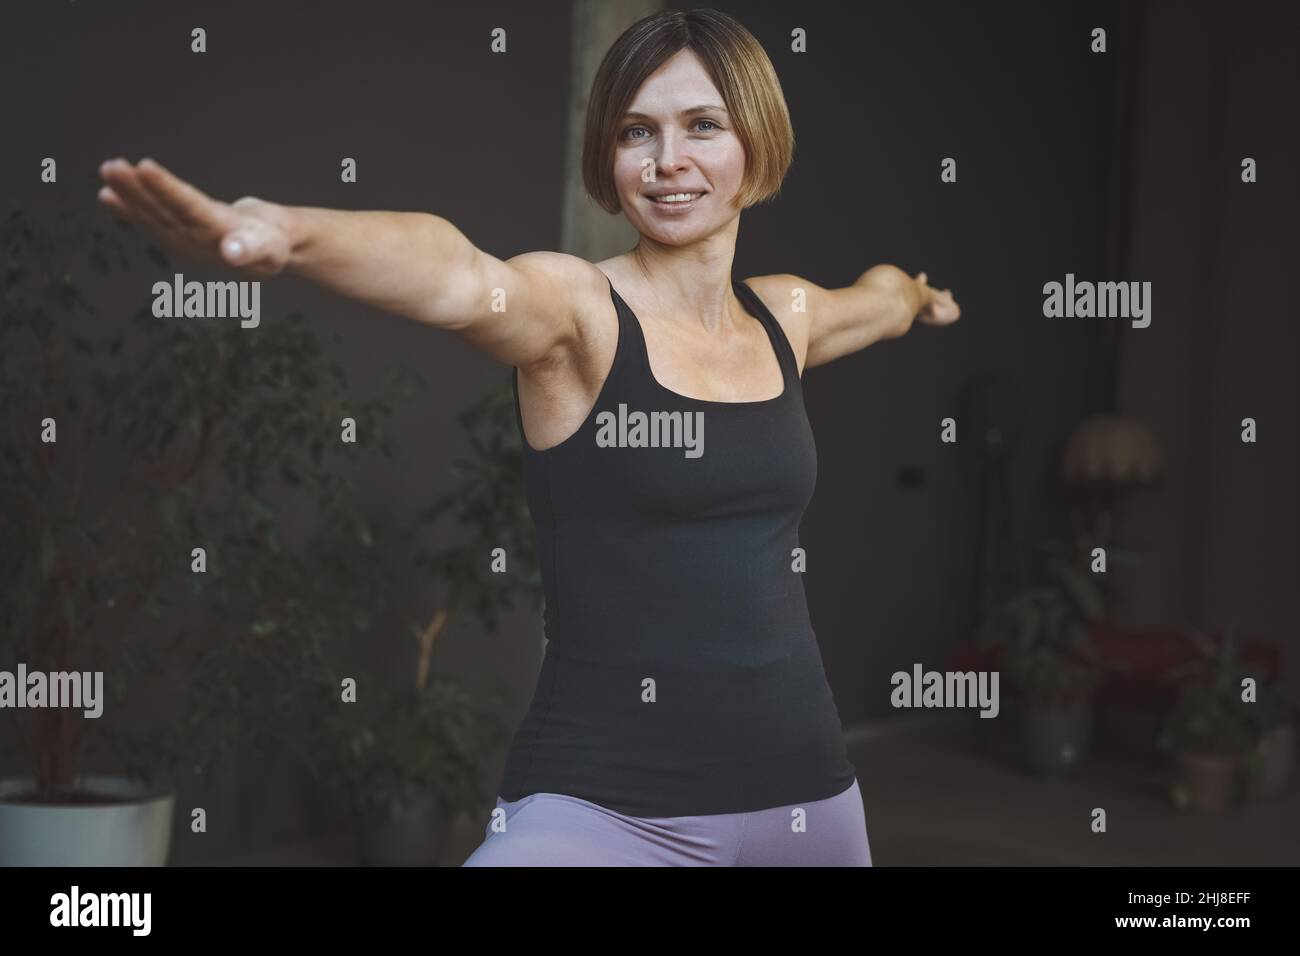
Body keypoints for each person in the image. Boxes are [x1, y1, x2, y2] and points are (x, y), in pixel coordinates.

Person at [96, 7, 960, 866]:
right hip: (606, 808)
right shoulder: (579, 312)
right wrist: (290, 235)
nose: (668, 162)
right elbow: (460, 277)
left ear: (756, 145)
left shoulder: (785, 317)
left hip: (807, 795)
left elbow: (877, 298)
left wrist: (919, 296)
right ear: (609, 154)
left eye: (703, 125)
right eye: (636, 132)